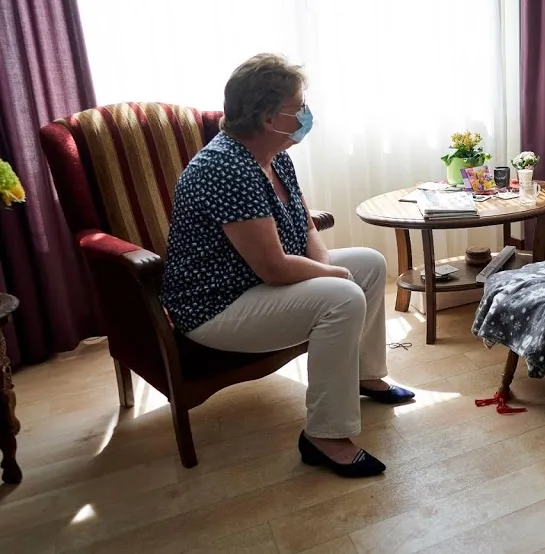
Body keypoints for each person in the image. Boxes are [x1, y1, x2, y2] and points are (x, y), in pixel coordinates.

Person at [160, 53, 413, 479]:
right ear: (266, 117)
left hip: (254, 282)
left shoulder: (275, 154)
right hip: (217, 304)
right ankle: (324, 435)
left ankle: (364, 375)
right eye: (298, 108)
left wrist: (326, 264)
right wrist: (332, 277)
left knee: (368, 264)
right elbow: (274, 269)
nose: (306, 115)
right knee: (343, 296)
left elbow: (304, 219)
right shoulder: (225, 168)